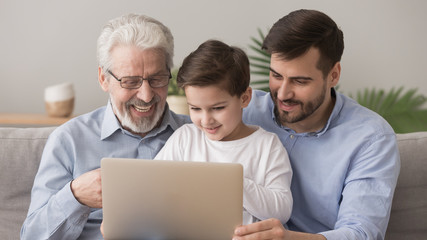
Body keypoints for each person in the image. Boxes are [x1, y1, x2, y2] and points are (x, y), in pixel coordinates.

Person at [234, 9, 400, 240]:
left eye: (300, 81)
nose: (282, 94)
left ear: (333, 75)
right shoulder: (243, 111)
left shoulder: (371, 139)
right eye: (276, 76)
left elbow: (362, 233)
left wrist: (287, 238)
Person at [21, 14, 190, 239]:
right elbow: (31, 236)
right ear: (103, 79)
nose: (146, 95)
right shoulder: (68, 140)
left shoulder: (197, 133)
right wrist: (75, 196)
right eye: (130, 82)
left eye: (157, 79)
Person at [154, 39, 293, 225]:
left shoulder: (267, 146)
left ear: (244, 98)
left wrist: (234, 182)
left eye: (218, 108)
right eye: (195, 109)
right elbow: (152, 187)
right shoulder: (185, 138)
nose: (206, 120)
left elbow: (282, 211)